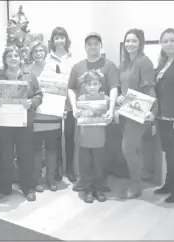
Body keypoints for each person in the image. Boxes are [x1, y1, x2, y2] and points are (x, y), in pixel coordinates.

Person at [68, 32, 119, 192]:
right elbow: (70, 88)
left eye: (96, 43)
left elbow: (113, 88)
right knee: (84, 152)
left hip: (101, 121)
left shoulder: (109, 65)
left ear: (100, 46)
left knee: (100, 154)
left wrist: (111, 109)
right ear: (85, 47)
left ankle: (100, 183)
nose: (92, 46)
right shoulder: (77, 67)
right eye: (89, 44)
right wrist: (74, 107)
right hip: (84, 121)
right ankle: (85, 182)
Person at [0, 45, 43, 202]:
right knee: (4, 156)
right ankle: (3, 187)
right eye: (9, 56)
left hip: (24, 123)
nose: (13, 58)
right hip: (4, 123)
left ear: (20, 58)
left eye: (16, 55)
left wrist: (32, 102)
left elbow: (39, 95)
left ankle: (28, 188)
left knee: (26, 156)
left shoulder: (29, 76)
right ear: (5, 59)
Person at [116, 28, 157, 199]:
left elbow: (150, 89)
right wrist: (119, 98)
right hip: (127, 110)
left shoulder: (144, 62)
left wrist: (153, 113)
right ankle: (137, 178)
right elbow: (124, 89)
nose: (130, 44)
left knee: (127, 148)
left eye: (134, 41)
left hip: (140, 112)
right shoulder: (124, 63)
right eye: (127, 41)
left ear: (140, 43)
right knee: (133, 148)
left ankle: (136, 186)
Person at [154, 28, 174, 203]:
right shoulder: (162, 63)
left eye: (172, 40)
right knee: (169, 153)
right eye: (165, 41)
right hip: (162, 117)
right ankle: (169, 184)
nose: (169, 44)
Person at [74, 70, 110, 203]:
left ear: (100, 84)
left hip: (99, 139)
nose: (92, 87)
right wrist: (77, 114)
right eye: (89, 84)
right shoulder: (81, 100)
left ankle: (99, 188)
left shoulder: (106, 100)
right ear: (84, 86)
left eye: (95, 84)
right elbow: (78, 117)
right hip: (84, 139)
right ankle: (88, 189)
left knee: (99, 165)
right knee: (85, 165)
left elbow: (112, 116)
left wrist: (109, 117)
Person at [45, 27, 76, 183]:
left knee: (70, 136)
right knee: (55, 138)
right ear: (52, 40)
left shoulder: (73, 58)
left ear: (66, 39)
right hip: (53, 103)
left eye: (62, 37)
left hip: (70, 103)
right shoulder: (47, 59)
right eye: (56, 38)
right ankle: (57, 169)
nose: (59, 40)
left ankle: (70, 169)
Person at [29, 40, 60, 192]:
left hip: (52, 115)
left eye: (41, 50)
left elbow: (61, 90)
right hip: (36, 116)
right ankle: (37, 179)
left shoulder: (54, 69)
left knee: (52, 149)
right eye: (35, 51)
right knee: (36, 149)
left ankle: (51, 178)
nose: (38, 53)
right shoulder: (27, 71)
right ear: (31, 54)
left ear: (45, 52)